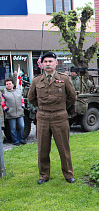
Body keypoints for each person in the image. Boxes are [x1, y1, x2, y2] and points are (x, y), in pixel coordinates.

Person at [28, 52, 77, 184]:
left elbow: (72, 97)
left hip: (60, 116)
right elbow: (31, 98)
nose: (48, 64)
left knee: (63, 147)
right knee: (43, 148)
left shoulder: (64, 79)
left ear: (56, 63)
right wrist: (42, 107)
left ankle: (68, 174)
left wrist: (61, 107)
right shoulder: (37, 80)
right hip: (43, 117)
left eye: (50, 61)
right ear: (42, 64)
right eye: (46, 62)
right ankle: (43, 175)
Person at [1, 78, 26, 145]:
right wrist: (6, 109)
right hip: (10, 113)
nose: (8, 85)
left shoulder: (18, 91)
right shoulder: (4, 93)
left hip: (20, 112)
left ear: (13, 84)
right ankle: (15, 141)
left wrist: (23, 106)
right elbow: (2, 102)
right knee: (13, 129)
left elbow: (22, 99)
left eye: (9, 84)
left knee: (21, 126)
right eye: (7, 84)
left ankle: (21, 139)